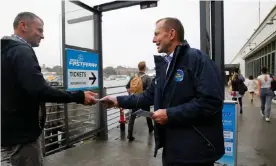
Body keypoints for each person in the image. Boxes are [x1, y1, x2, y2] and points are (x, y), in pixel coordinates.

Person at [101, 17, 224, 166]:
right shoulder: (165, 66)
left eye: (157, 34)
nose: (154, 39)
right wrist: (117, 100)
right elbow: (148, 96)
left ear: (171, 34)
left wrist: (169, 114)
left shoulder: (198, 60)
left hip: (196, 152)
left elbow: (211, 101)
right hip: (172, 149)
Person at [1, 12, 98, 166]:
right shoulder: (22, 50)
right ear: (23, 26)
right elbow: (39, 89)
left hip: (8, 131)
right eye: (39, 30)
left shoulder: (5, 51)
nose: (43, 36)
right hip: (23, 136)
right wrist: (78, 96)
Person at [126, 61, 154, 141]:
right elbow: (151, 90)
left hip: (134, 100)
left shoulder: (133, 77)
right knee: (148, 114)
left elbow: (127, 87)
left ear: (138, 68)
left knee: (132, 117)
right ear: (144, 68)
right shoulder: (148, 78)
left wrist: (131, 94)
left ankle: (129, 135)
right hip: (144, 100)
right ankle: (151, 129)